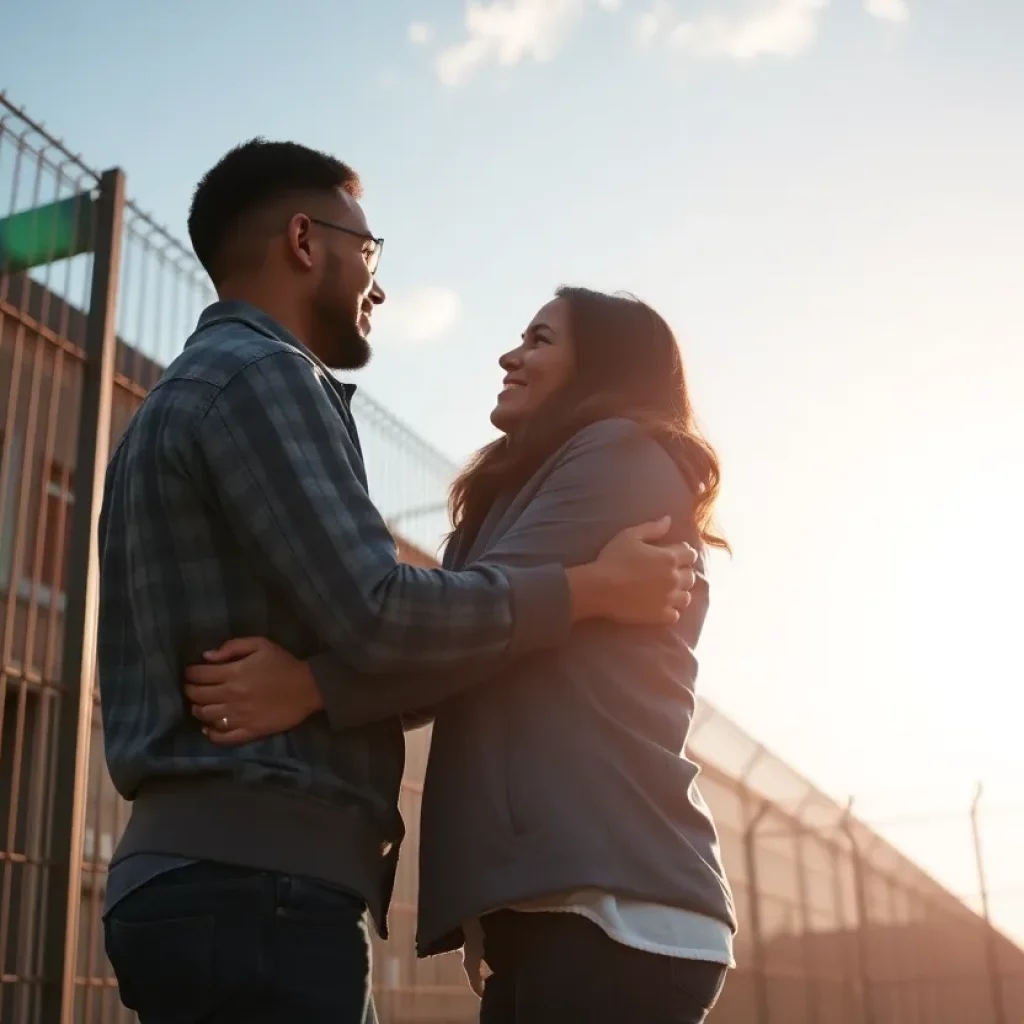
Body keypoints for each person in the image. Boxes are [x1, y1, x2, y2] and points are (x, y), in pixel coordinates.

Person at [97, 139, 699, 1024]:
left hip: (225, 880)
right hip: (255, 884)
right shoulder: (266, 376)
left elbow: (431, 638)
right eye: (369, 252)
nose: (377, 287)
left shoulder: (177, 399)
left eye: (538, 338)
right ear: (305, 241)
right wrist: (587, 590)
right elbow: (387, 615)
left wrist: (312, 685)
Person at [185, 285, 736, 1022]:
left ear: (604, 363)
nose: (511, 356)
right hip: (564, 904)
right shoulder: (516, 494)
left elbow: (462, 630)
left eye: (541, 340)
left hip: (614, 906)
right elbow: (461, 639)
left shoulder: (621, 455)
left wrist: (309, 687)